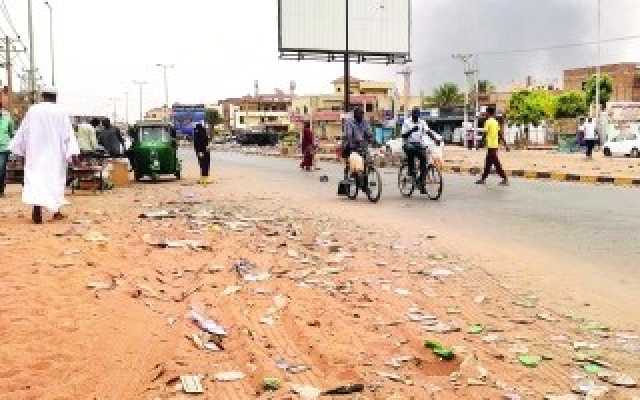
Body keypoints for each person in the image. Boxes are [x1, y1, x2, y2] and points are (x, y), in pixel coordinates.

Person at [9, 87, 80, 224]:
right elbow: (68, 135)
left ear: (43, 96)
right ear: (55, 97)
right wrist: (73, 153)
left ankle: (37, 207)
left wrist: (21, 152)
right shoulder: (61, 111)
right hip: (55, 154)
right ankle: (56, 211)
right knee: (54, 181)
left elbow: (24, 132)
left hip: (35, 153)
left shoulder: (33, 110)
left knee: (36, 180)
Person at [401, 107, 441, 192]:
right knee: (411, 151)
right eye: (414, 115)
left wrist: (435, 139)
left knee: (424, 159)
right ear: (412, 114)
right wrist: (411, 130)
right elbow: (403, 135)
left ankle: (421, 183)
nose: (416, 117)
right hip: (408, 144)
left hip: (418, 144)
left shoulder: (422, 122)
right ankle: (411, 171)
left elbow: (428, 131)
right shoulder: (406, 122)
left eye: (417, 115)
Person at [476, 107, 509, 186]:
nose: (485, 114)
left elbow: (485, 134)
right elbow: (500, 134)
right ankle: (483, 179)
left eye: (486, 112)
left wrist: (480, 144)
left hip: (491, 146)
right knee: (488, 163)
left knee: (496, 163)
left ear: (488, 113)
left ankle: (504, 178)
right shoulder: (495, 122)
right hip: (494, 145)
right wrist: (505, 144)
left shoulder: (487, 122)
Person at [342, 107, 372, 179]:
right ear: (355, 115)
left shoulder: (364, 122)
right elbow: (348, 134)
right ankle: (352, 173)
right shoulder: (349, 122)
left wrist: (371, 136)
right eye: (360, 114)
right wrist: (355, 139)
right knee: (354, 160)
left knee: (367, 162)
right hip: (351, 145)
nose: (361, 116)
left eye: (362, 114)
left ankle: (365, 183)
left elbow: (368, 131)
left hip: (362, 145)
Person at [0, 103, 14, 197]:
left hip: (3, 148)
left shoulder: (8, 119)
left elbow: (11, 133)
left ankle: (1, 190)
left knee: (1, 169)